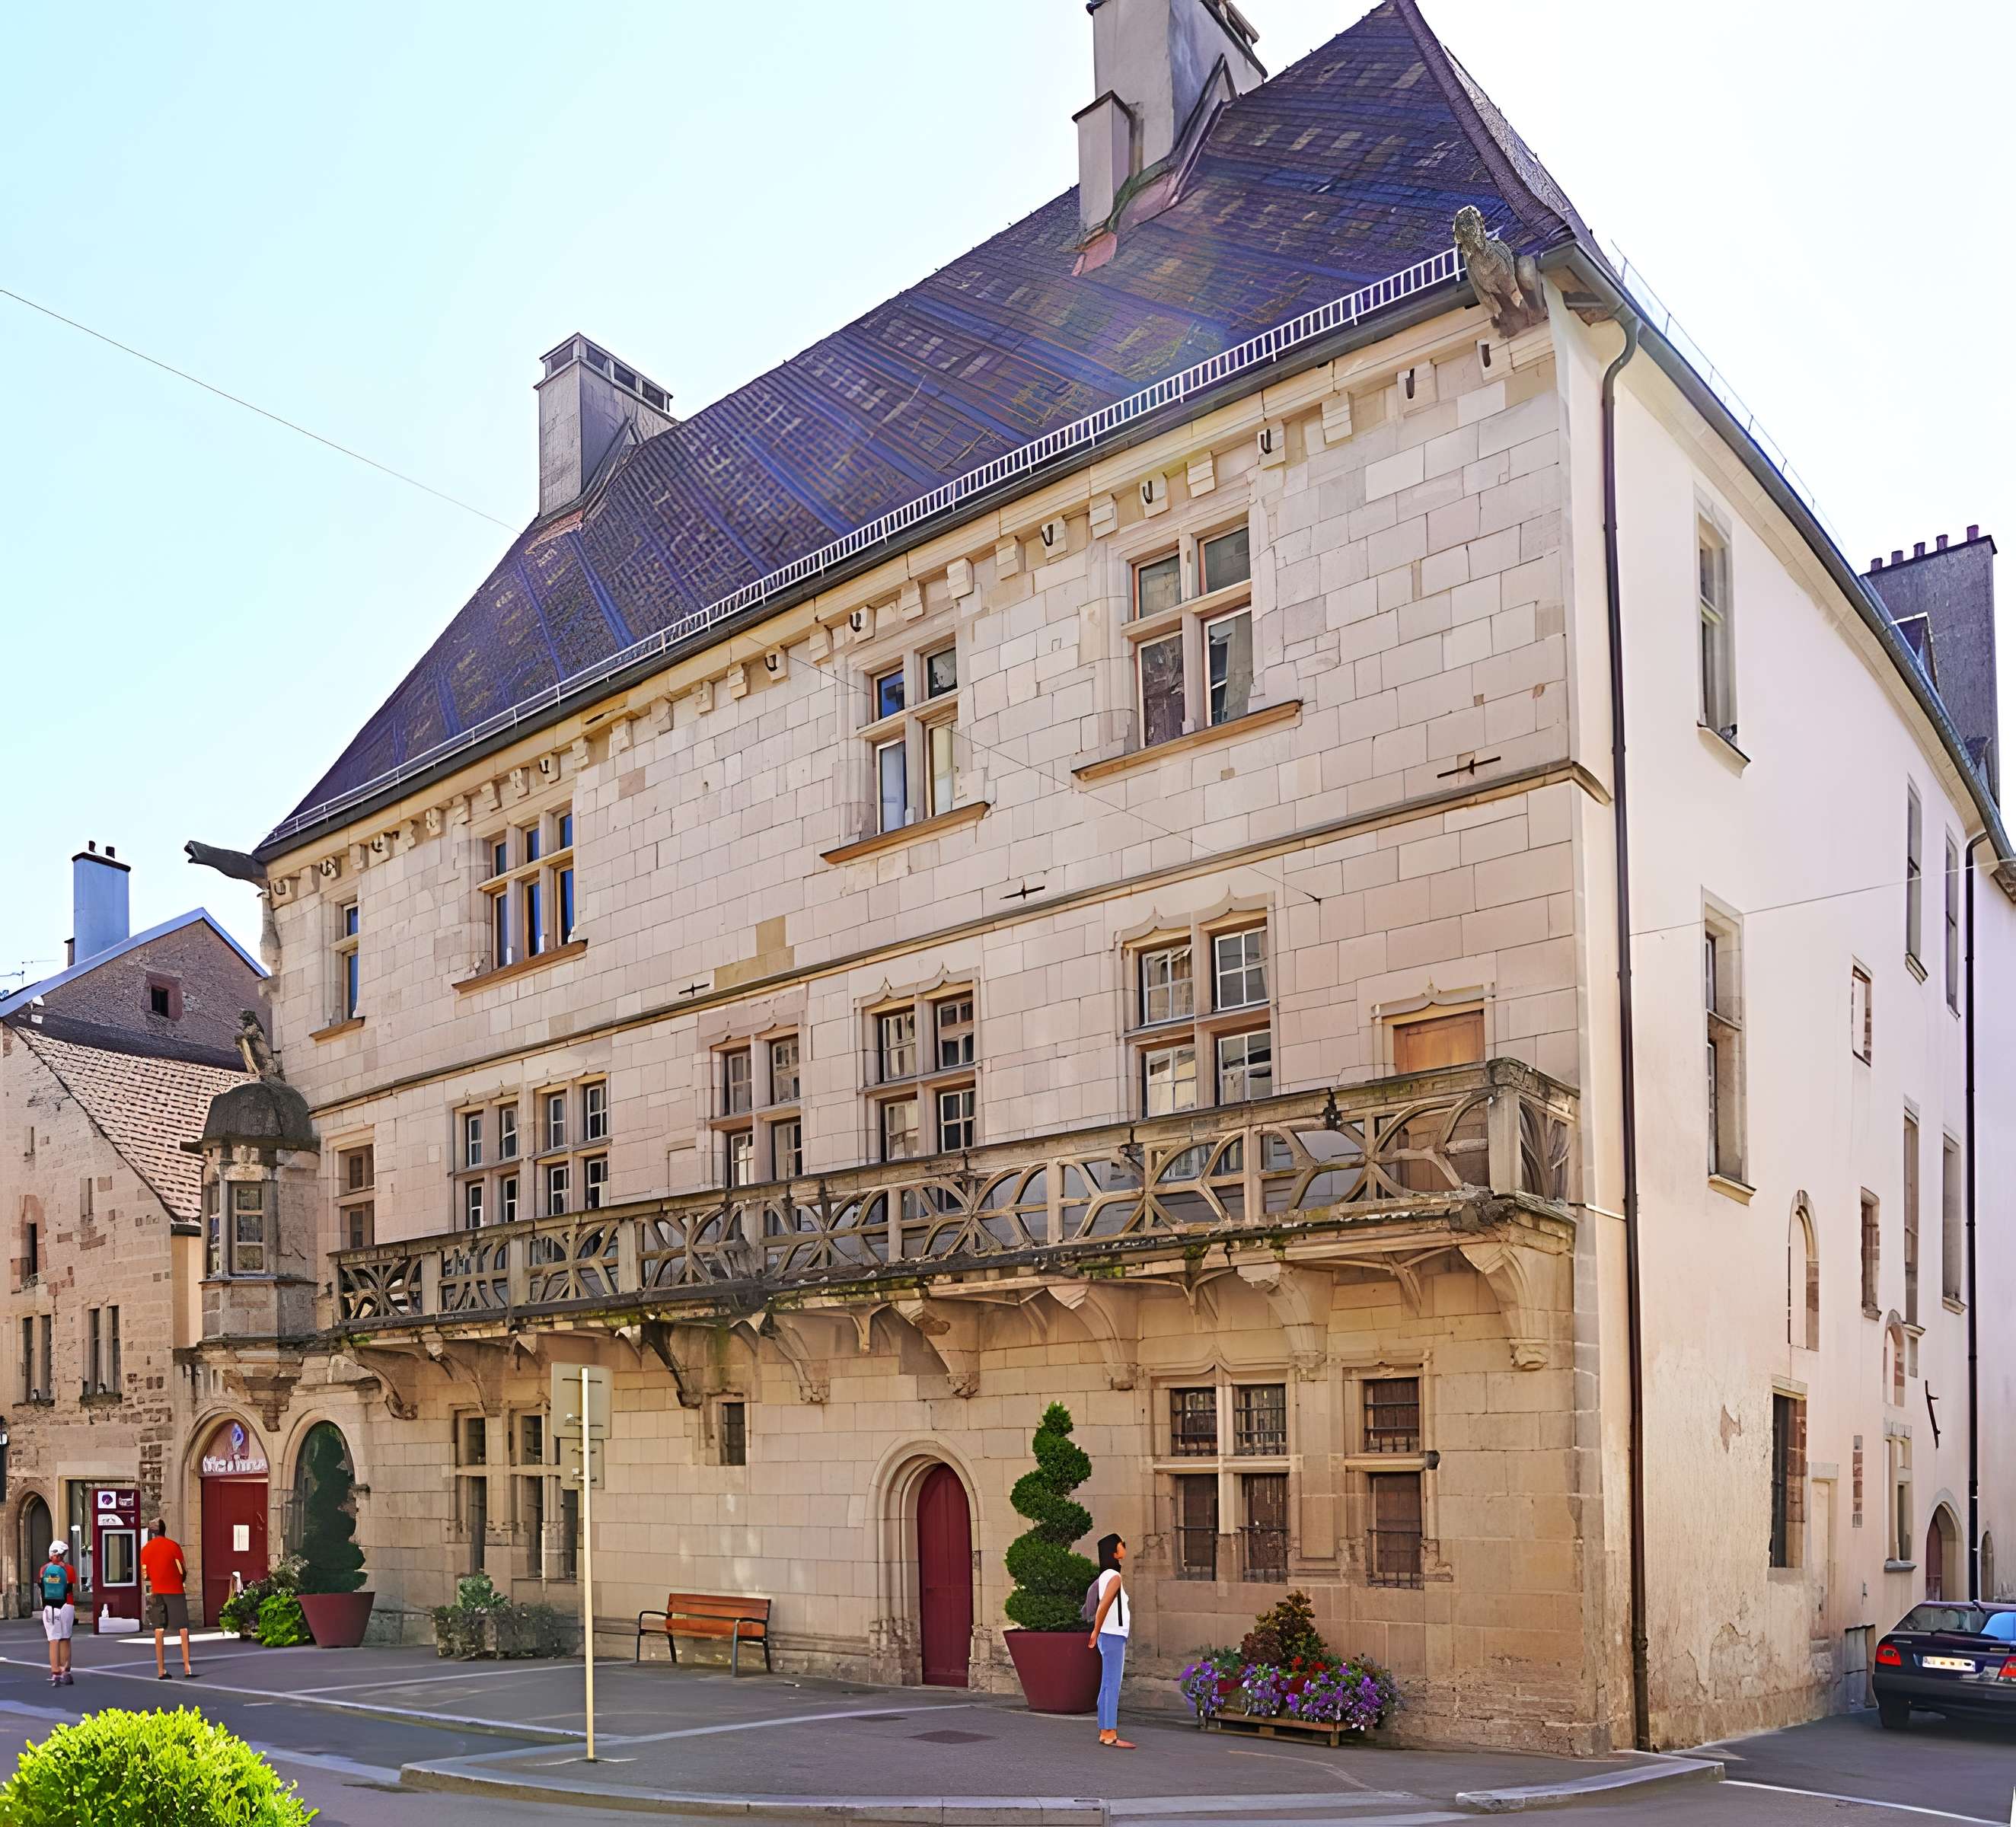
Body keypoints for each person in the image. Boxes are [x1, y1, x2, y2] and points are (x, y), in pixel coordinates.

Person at [1086, 1532, 1132, 1749]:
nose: (1124, 1546)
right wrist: (1096, 1630)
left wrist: (1098, 1631)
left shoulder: (1105, 1575)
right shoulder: (1114, 1577)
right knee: (1112, 1684)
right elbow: (1103, 1605)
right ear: (1114, 1552)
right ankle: (1109, 1733)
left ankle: (1105, 1730)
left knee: (1107, 1684)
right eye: (1122, 1544)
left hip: (1109, 1634)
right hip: (1112, 1634)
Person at [139, 1518, 195, 1680]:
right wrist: (179, 1580)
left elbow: (145, 1573)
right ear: (165, 1530)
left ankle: (161, 1669)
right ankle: (187, 1667)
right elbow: (182, 1569)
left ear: (151, 1532)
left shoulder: (146, 1549)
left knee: (159, 1629)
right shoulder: (173, 1546)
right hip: (175, 1590)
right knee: (182, 1628)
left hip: (157, 1590)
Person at [37, 1540, 75, 1687]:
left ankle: (55, 1673)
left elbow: (41, 1585)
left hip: (49, 1607)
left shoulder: (43, 1569)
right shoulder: (69, 1569)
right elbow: (71, 1586)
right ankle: (66, 1672)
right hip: (67, 1605)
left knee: (53, 1639)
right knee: (66, 1638)